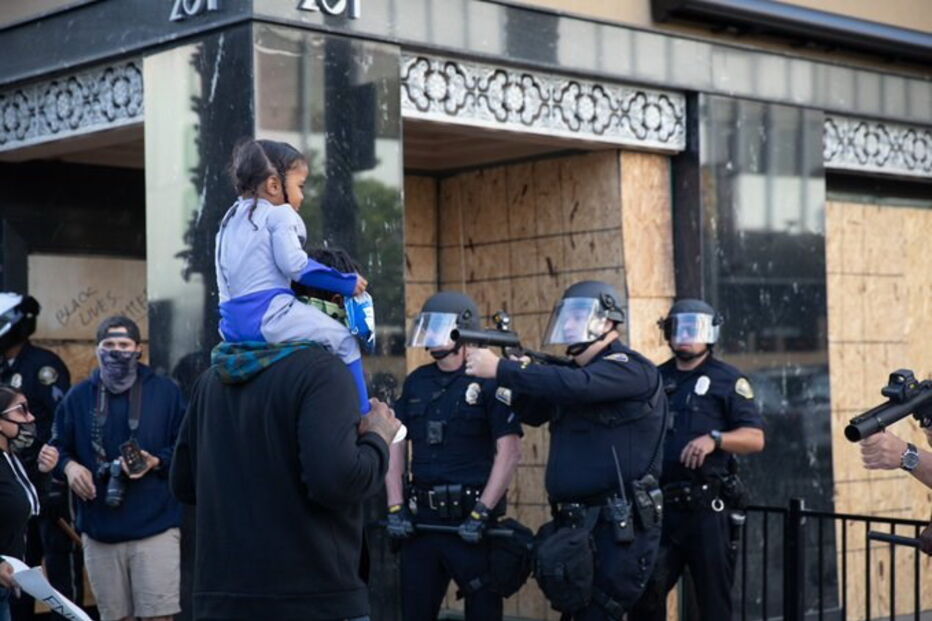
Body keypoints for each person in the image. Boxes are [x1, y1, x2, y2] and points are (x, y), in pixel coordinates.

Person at [465, 280, 667, 620]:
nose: (570, 324)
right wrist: (515, 374)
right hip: (577, 525)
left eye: (579, 316)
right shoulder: (572, 375)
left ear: (609, 322)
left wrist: (502, 369)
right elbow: (534, 413)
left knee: (601, 611)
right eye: (568, 316)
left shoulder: (630, 368)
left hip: (617, 528)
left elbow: (577, 386)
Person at [170, 329, 401, 621]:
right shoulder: (322, 372)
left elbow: (183, 483)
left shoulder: (211, 380)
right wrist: (378, 436)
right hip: (312, 600)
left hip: (222, 598)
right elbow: (340, 482)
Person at [385, 291, 523, 621]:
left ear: (462, 330)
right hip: (422, 523)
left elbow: (510, 452)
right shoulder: (418, 381)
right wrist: (395, 507)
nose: (431, 337)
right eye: (428, 328)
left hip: (470, 523)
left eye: (439, 328)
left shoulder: (489, 379)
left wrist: (481, 512)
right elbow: (395, 441)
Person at [629, 299, 765, 621]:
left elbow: (755, 439)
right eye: (679, 328)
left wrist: (716, 439)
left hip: (707, 511)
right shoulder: (654, 379)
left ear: (710, 334)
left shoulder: (727, 379)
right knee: (644, 596)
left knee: (713, 603)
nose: (685, 336)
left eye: (695, 329)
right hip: (661, 510)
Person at [216, 138, 372, 413]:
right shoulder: (280, 215)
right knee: (344, 341)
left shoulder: (228, 221)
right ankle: (363, 412)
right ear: (274, 186)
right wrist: (345, 283)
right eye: (300, 186)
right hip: (269, 315)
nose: (302, 196)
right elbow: (296, 266)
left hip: (230, 326)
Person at [53, 317, 185, 621]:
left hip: (156, 528)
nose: (116, 352)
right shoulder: (79, 395)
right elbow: (57, 445)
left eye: (124, 345)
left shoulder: (166, 392)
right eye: (108, 345)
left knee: (158, 617)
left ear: (139, 349)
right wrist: (70, 467)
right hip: (99, 531)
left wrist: (156, 460)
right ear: (97, 349)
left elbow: (187, 446)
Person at [0, 294, 80, 621]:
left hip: (43, 483)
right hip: (9, 485)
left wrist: (47, 467)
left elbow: (59, 422)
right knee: (18, 570)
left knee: (58, 570)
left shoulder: (43, 366)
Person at [0, 385, 60, 621]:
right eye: (21, 411)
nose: (31, 418)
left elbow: (30, 507)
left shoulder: (10, 459)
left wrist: (44, 473)